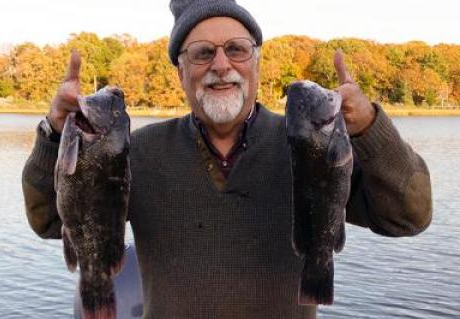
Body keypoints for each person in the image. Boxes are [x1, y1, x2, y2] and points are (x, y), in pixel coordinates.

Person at [22, 0, 433, 318]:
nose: (221, 65)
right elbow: (49, 221)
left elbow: (409, 215)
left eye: (236, 50)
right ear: (180, 71)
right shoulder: (135, 151)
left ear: (256, 62)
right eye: (202, 54)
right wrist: (55, 133)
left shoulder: (316, 149)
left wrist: (367, 128)